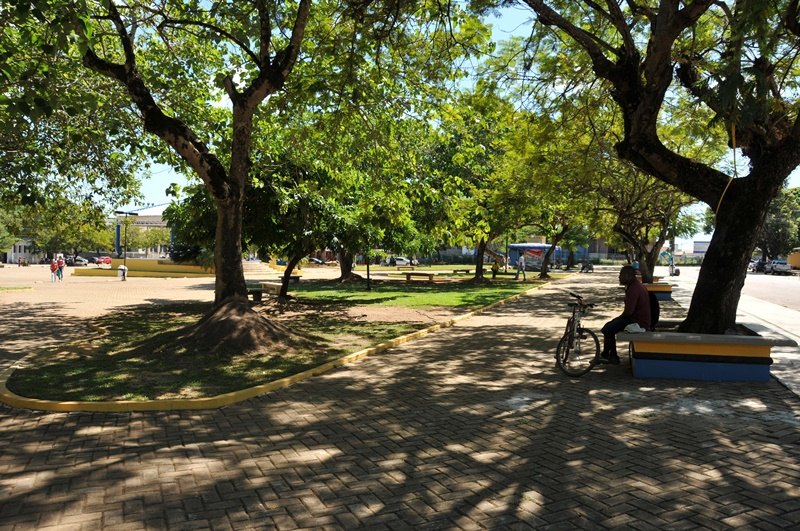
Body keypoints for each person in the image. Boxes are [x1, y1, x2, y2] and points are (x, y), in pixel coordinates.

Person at [600, 265, 651, 364]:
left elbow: (628, 312)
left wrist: (618, 319)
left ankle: (609, 356)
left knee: (608, 329)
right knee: (610, 326)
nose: (619, 277)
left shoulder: (634, 289)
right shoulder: (635, 285)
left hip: (638, 322)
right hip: (637, 319)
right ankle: (610, 355)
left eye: (621, 275)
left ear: (628, 275)